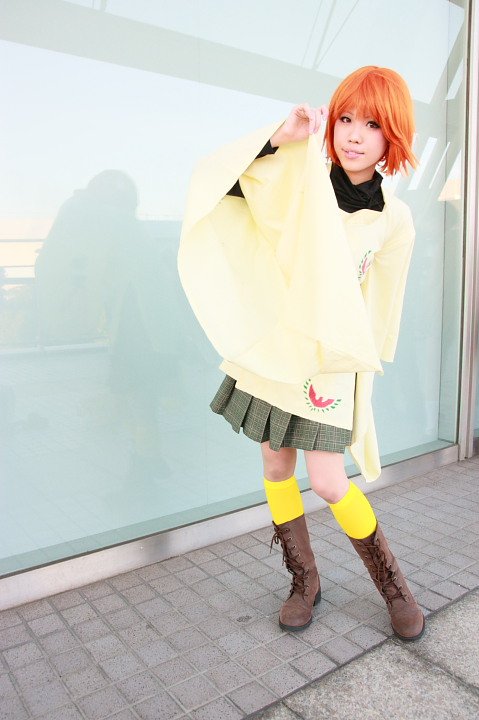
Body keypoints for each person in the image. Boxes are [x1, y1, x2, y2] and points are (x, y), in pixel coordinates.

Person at [178, 66, 425, 641]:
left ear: (393, 135)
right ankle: (304, 581)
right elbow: (226, 188)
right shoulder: (300, 179)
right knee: (274, 463)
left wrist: (364, 368)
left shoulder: (394, 218)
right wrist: (281, 137)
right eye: (346, 118)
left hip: (329, 360)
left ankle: (395, 588)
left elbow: (382, 302)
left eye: (373, 124)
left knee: (331, 482)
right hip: (277, 344)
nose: (355, 134)